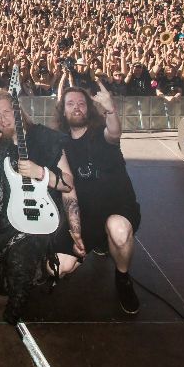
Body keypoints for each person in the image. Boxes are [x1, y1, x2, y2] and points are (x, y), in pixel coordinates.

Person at [0, 88, 76, 325]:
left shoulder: (44, 137)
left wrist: (41, 172)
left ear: (19, 111)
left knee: (23, 265)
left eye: (7, 112)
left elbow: (68, 182)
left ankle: (32, 274)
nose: (3, 119)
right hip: (0, 212)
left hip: (37, 209)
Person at [53, 85, 142, 314]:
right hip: (87, 215)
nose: (76, 107)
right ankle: (101, 242)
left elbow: (114, 133)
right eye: (70, 103)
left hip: (118, 209)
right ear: (63, 110)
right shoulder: (60, 144)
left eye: (81, 103)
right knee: (57, 268)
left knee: (118, 230)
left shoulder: (101, 132)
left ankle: (122, 278)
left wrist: (111, 109)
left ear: (89, 109)